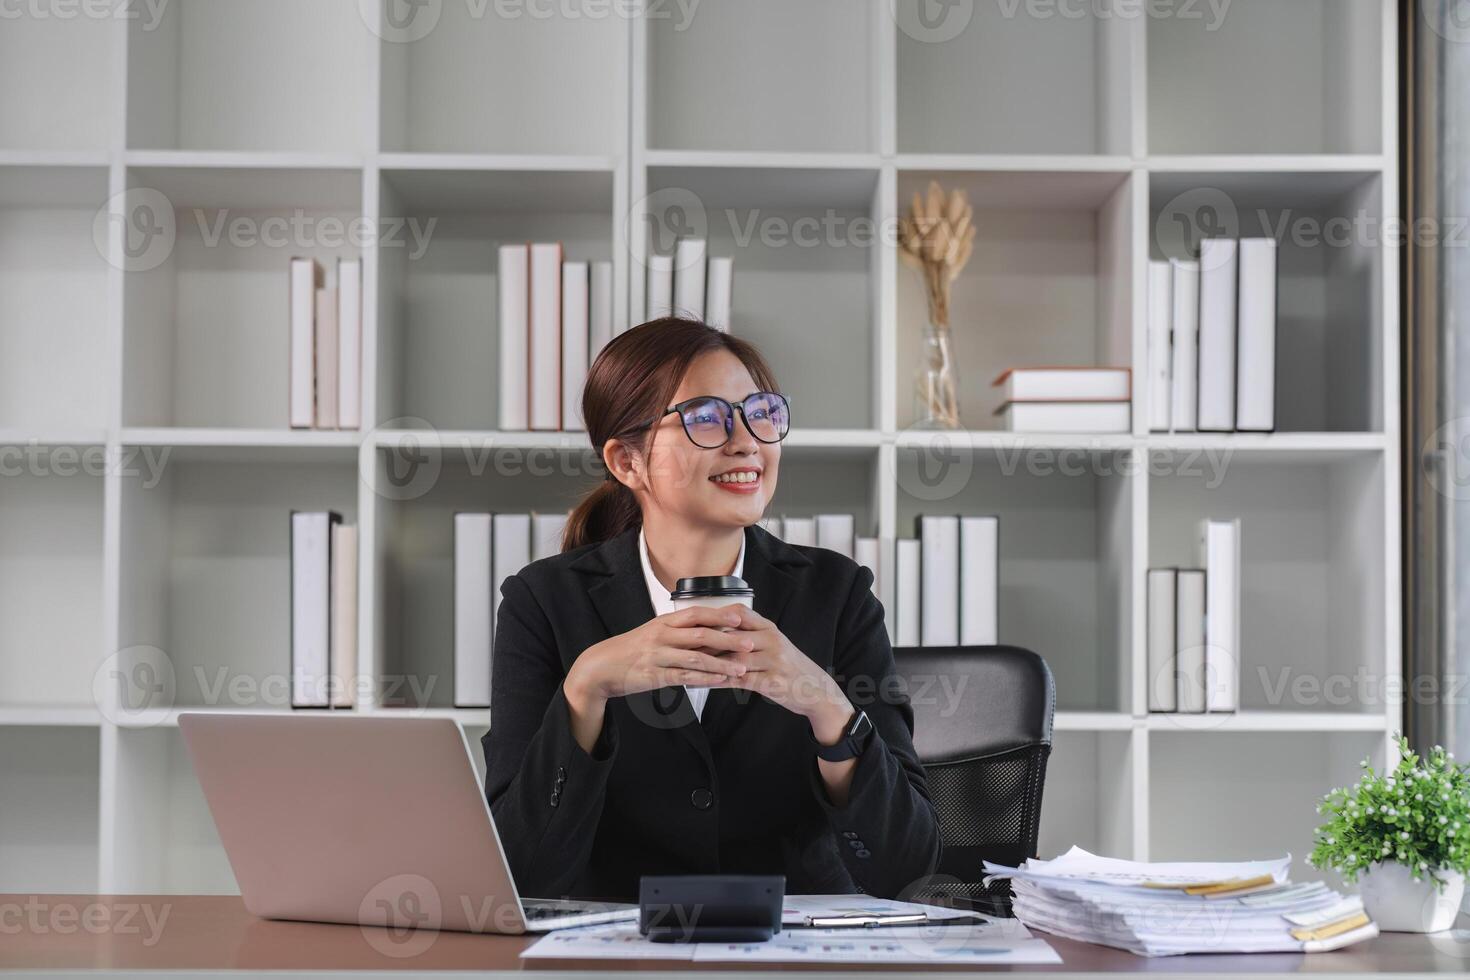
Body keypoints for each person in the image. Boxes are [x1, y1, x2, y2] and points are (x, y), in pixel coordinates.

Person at [482, 316, 940, 901]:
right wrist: (586, 687)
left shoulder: (838, 592)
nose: (748, 440)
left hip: (792, 952)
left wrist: (825, 704)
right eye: (706, 418)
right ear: (628, 462)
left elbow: (907, 869)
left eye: (760, 413)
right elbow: (522, 875)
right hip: (617, 953)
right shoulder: (542, 603)